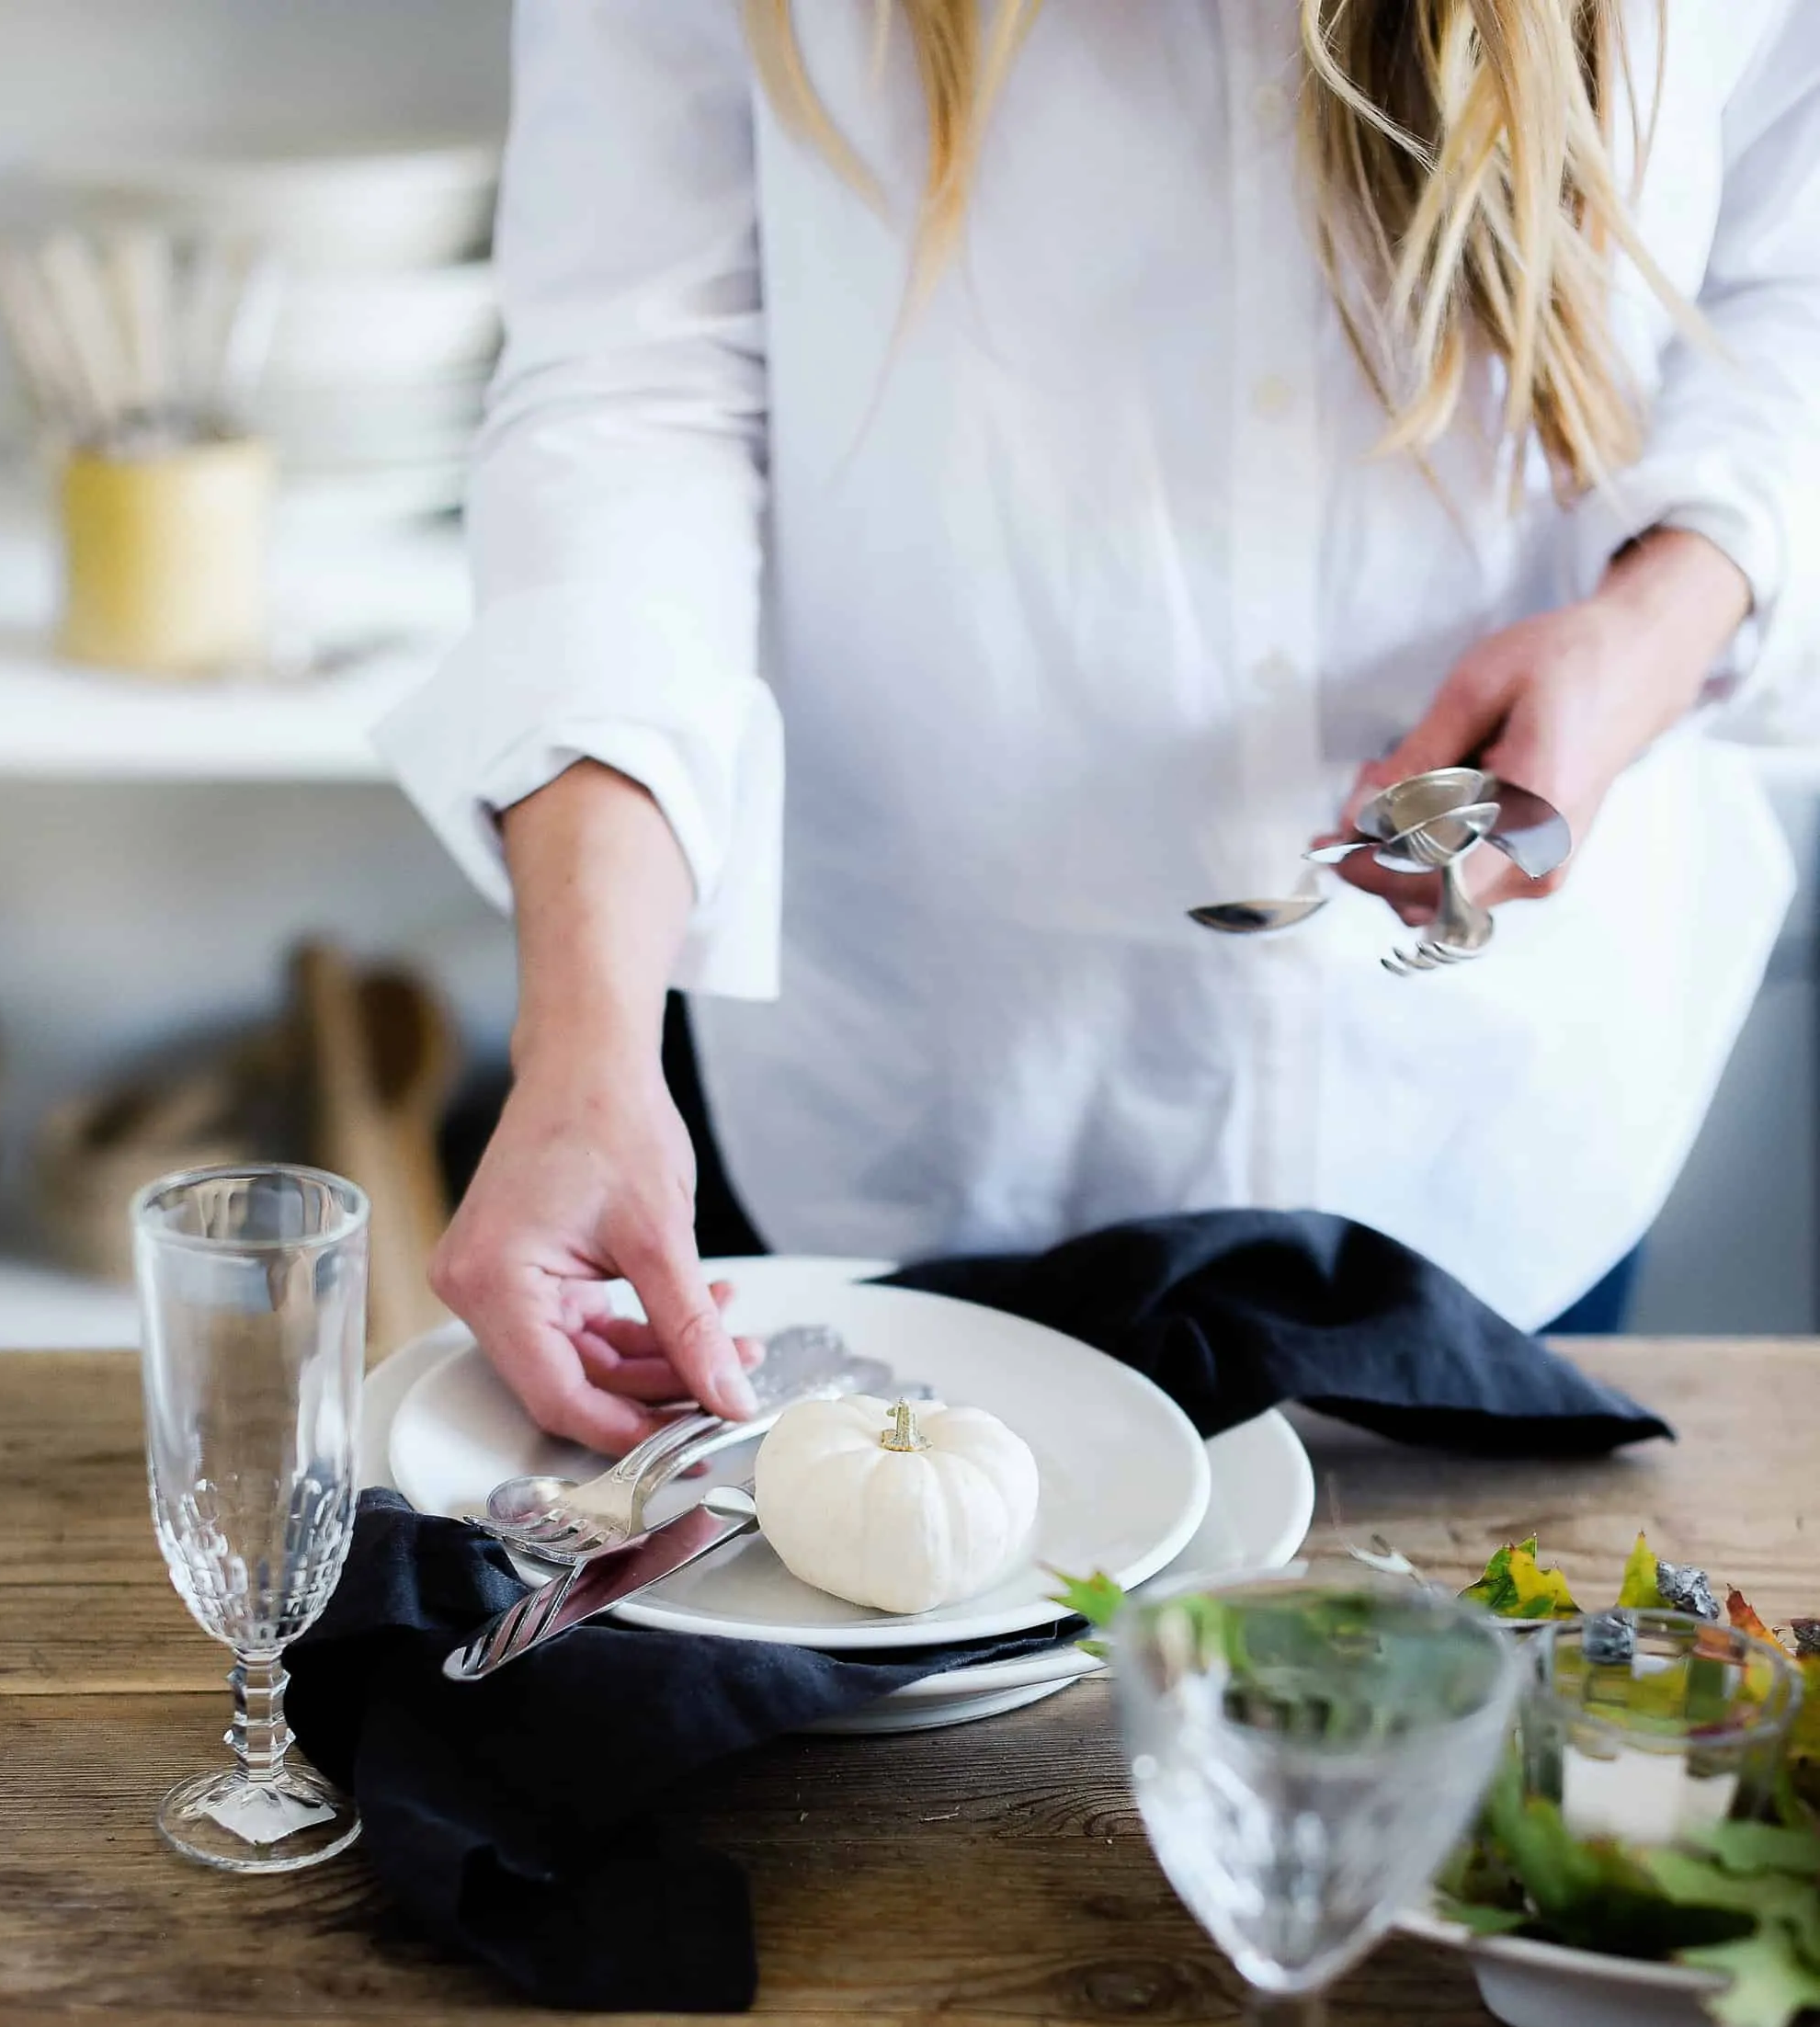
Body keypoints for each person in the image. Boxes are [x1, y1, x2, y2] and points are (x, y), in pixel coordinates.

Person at [383, 0, 1820, 1450]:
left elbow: (1794, 268)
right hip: (907, 1099)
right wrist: (586, 1034)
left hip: (1493, 1132)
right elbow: (631, 392)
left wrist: (1664, 619)